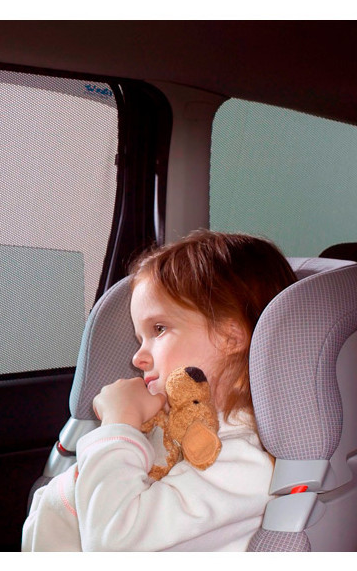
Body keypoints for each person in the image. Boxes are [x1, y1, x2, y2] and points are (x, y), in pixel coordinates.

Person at [22, 230, 298, 552]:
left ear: (230, 338)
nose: (137, 358)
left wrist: (119, 423)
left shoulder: (243, 461)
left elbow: (113, 543)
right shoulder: (165, 432)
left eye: (159, 329)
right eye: (140, 338)